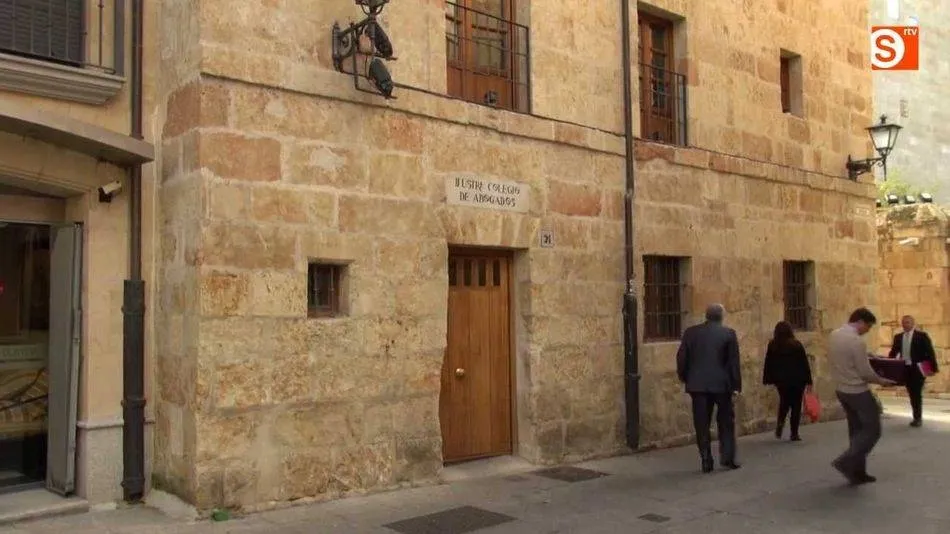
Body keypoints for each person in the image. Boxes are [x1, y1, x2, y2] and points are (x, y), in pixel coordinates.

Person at [828, 307, 897, 485]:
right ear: (860, 322)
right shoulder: (856, 341)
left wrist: (866, 356)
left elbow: (844, 357)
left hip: (841, 389)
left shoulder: (834, 335)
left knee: (856, 430)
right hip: (857, 391)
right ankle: (846, 461)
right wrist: (882, 381)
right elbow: (866, 372)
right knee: (872, 429)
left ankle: (858, 472)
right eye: (868, 326)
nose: (867, 331)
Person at [676, 303, 742, 473]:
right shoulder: (728, 334)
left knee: (701, 423)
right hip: (722, 385)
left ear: (707, 316)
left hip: (698, 385)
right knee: (726, 422)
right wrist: (736, 386)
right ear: (721, 317)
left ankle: (706, 458)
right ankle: (727, 458)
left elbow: (682, 358)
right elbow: (733, 363)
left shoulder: (691, 333)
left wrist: (685, 377)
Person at [762, 321, 813, 441]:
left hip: (781, 381)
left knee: (784, 402)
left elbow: (768, 363)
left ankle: (780, 424)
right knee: (796, 405)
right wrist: (809, 380)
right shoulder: (796, 345)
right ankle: (794, 433)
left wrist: (768, 378)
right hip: (797, 380)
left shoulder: (773, 345)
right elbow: (804, 364)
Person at [887, 315, 939, 427]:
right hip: (905, 368)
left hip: (918, 369)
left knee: (916, 393)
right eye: (904, 322)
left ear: (913, 323)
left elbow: (930, 353)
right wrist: (888, 365)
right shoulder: (898, 337)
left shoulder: (922, 336)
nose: (906, 324)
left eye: (908, 322)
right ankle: (916, 416)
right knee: (911, 393)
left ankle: (917, 418)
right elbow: (893, 353)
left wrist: (932, 368)